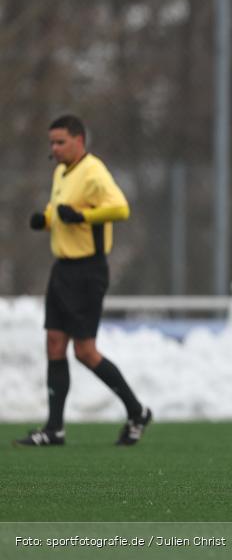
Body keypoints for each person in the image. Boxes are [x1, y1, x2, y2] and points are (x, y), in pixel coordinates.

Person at [15, 115, 152, 447]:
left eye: (60, 141)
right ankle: (54, 429)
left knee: (86, 352)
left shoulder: (94, 172)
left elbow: (120, 209)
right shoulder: (61, 172)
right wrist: (45, 219)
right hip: (62, 269)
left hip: (88, 271)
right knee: (54, 345)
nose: (55, 148)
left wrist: (84, 217)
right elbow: (59, 209)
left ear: (79, 140)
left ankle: (137, 412)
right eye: (52, 142)